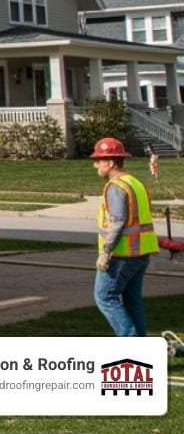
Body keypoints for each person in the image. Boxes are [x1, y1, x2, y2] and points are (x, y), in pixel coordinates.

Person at [90, 137, 158, 336]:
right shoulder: (135, 183)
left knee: (105, 297)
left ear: (110, 163)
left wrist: (105, 252)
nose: (95, 165)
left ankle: (131, 344)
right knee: (132, 300)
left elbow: (118, 222)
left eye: (98, 161)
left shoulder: (116, 187)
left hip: (121, 255)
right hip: (140, 254)